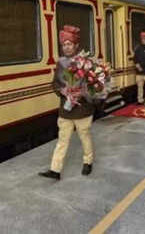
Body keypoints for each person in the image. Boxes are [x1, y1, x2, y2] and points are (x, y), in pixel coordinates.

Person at [39, 25, 95, 180]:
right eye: (64, 44)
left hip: (83, 109)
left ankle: (88, 162)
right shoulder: (61, 63)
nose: (66, 47)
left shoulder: (86, 63)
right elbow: (55, 84)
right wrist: (62, 91)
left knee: (85, 137)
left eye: (69, 44)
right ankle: (55, 170)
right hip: (66, 109)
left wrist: (81, 93)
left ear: (76, 45)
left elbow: (94, 86)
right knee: (62, 140)